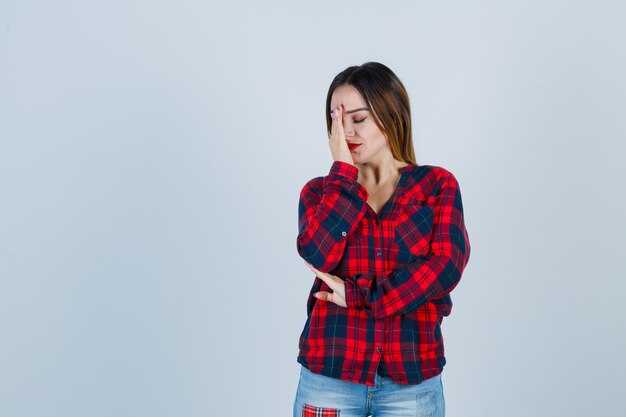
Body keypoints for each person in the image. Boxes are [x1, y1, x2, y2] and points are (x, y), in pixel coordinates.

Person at [292, 62, 471, 417]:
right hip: (330, 376)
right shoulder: (319, 193)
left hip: (411, 382)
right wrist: (343, 174)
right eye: (336, 120)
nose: (346, 132)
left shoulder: (436, 186)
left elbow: (445, 268)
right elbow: (317, 253)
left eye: (358, 119)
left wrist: (362, 297)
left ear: (390, 117)